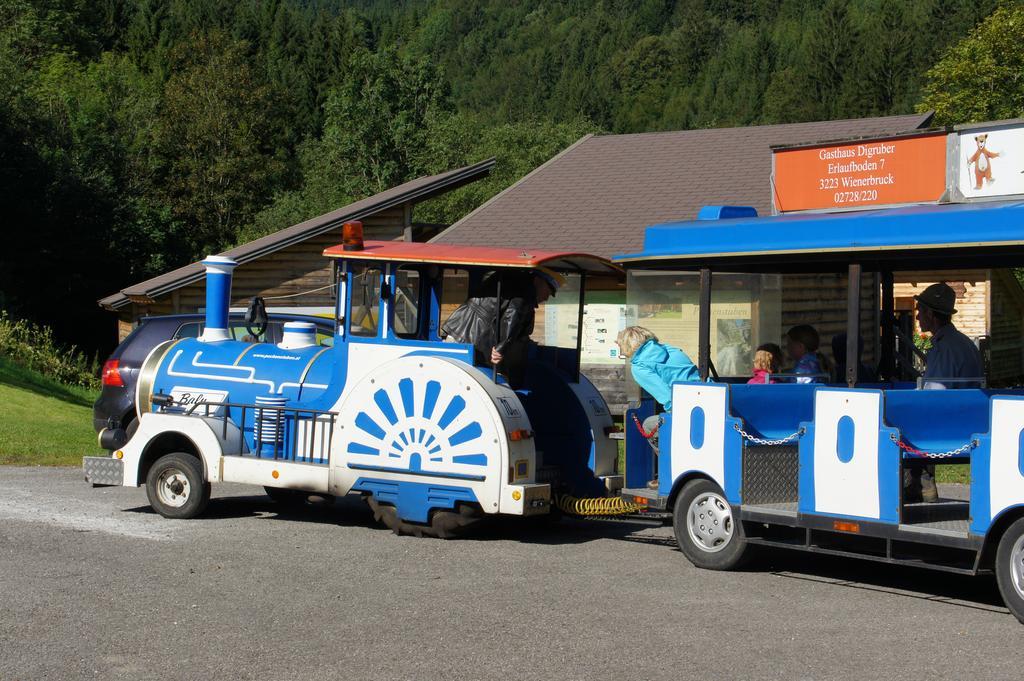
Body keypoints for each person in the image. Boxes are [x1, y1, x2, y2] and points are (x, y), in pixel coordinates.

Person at [905, 282, 984, 503]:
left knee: (899, 424)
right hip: (968, 420)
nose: (918, 316)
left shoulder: (944, 347)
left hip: (951, 425)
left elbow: (934, 395)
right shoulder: (964, 343)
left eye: (920, 311)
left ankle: (920, 485)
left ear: (931, 314)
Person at [441, 267, 564, 388]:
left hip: (461, 333)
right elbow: (512, 317)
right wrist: (501, 348)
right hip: (468, 338)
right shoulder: (525, 290)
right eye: (548, 291)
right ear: (538, 280)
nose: (547, 297)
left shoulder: (516, 281)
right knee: (490, 383)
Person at [615, 326, 700, 489]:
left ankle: (669, 473)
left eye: (620, 344)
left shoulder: (639, 367)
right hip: (709, 400)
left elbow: (668, 398)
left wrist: (678, 422)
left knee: (649, 424)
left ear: (627, 345)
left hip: (688, 409)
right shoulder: (670, 349)